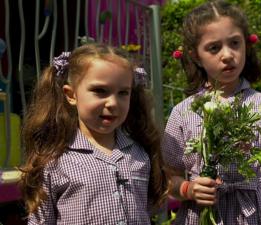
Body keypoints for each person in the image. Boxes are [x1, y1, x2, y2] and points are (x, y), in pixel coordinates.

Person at [162, 1, 261, 224]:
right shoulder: (183, 112)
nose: (227, 55)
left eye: (235, 43)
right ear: (195, 55)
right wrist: (189, 189)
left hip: (257, 215)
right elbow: (168, 177)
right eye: (214, 48)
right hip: (202, 215)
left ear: (246, 45)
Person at [19, 43, 168, 224]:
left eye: (123, 93)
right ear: (71, 94)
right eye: (100, 91)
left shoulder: (139, 155)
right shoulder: (55, 161)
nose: (112, 103)